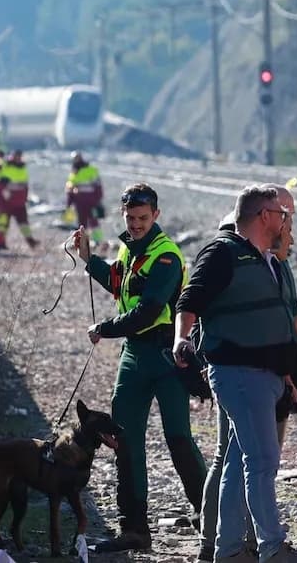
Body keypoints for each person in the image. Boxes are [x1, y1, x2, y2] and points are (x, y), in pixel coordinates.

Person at [172, 185, 297, 563]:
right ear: (264, 216)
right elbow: (190, 299)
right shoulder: (223, 252)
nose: (287, 221)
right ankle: (271, 548)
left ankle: (228, 549)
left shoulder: (265, 260)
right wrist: (181, 339)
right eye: (282, 214)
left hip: (266, 375)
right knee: (262, 462)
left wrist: (288, 375)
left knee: (240, 464)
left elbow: (273, 321)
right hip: (240, 373)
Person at [71, 183, 206, 552]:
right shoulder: (129, 249)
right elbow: (118, 281)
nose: (135, 225)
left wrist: (105, 329)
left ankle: (212, 517)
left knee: (178, 439)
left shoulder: (167, 256)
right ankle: (133, 528)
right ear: (123, 215)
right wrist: (88, 259)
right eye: (130, 218)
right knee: (124, 438)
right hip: (134, 355)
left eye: (143, 219)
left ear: (156, 216)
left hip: (165, 356)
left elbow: (148, 311)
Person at [0, 150, 39, 248]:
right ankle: (0, 243)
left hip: (20, 200)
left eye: (19, 156)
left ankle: (30, 241)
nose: (18, 158)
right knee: (3, 223)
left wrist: (25, 197)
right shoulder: (5, 165)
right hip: (6, 200)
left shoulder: (22, 167)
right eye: (16, 156)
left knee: (24, 222)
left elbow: (25, 184)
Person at [66, 151, 104, 248]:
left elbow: (98, 185)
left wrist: (98, 199)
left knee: (93, 221)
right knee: (81, 223)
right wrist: (69, 203)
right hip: (79, 202)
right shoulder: (74, 172)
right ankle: (82, 242)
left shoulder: (91, 170)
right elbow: (70, 188)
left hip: (91, 201)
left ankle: (98, 241)